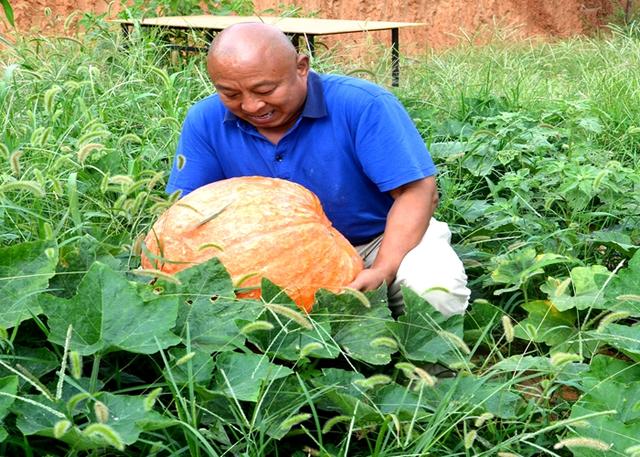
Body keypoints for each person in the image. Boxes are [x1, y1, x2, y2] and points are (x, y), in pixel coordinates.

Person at [166, 22, 470, 316]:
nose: (251, 105)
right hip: (269, 253)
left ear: (301, 67)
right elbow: (187, 213)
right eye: (231, 94)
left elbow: (417, 192)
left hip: (380, 238)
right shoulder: (205, 119)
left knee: (434, 290)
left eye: (265, 90)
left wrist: (383, 268)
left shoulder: (362, 105)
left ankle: (430, 365)